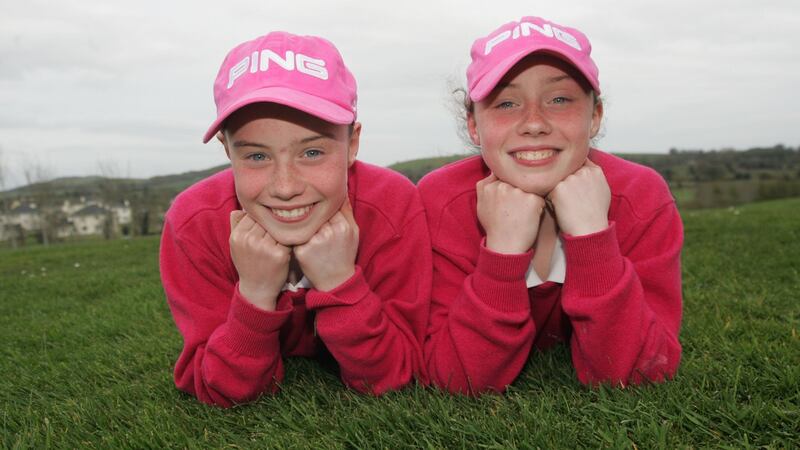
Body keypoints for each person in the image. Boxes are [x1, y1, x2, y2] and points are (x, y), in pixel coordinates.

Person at [159, 31, 431, 407]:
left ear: (352, 143)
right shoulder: (193, 223)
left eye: (313, 152)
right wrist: (255, 294)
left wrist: (340, 282)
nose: (285, 187)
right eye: (256, 157)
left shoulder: (392, 205)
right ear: (227, 149)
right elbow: (222, 389)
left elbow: (390, 376)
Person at [419, 16, 683, 394]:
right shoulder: (440, 201)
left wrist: (593, 237)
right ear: (474, 126)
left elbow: (639, 374)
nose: (534, 124)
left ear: (594, 116)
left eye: (559, 99)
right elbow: (456, 379)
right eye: (506, 103)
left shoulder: (640, 195)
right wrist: (502, 253)